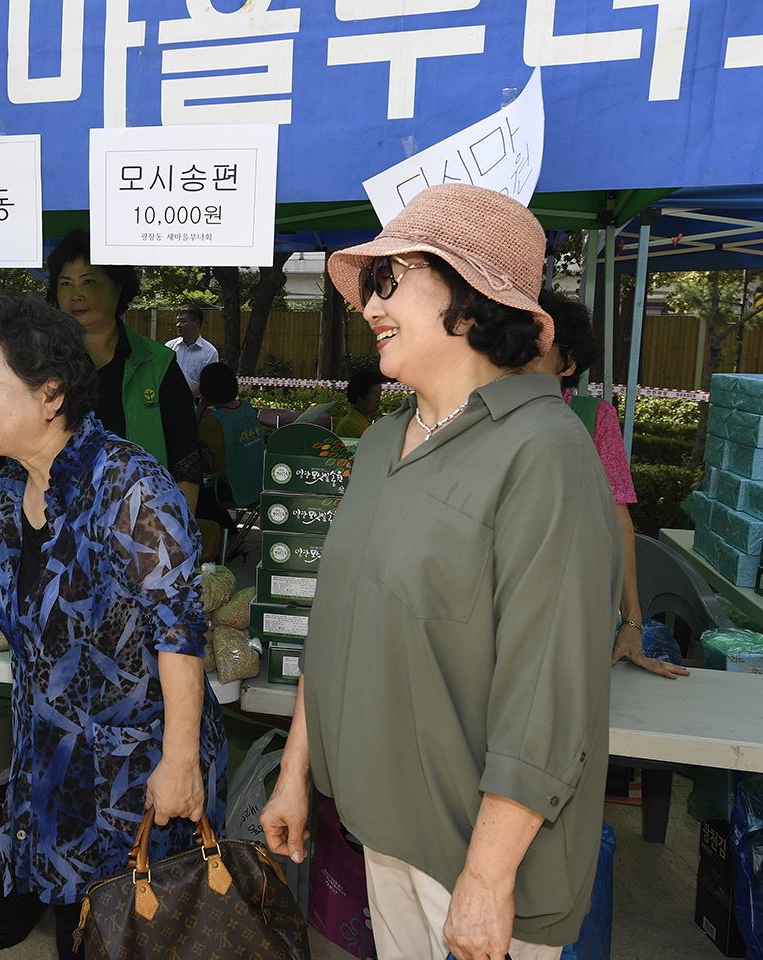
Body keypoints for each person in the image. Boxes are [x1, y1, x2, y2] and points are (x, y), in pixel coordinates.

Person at [260, 183, 622, 960]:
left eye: (391, 280)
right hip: (382, 829)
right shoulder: (380, 441)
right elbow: (335, 626)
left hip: (483, 859)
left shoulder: (545, 453)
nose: (368, 306)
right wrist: (296, 771)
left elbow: (548, 691)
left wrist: (489, 878)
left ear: (472, 298)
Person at [0, 293, 226, 960]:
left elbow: (179, 629)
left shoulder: (127, 484)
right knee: (77, 931)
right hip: (52, 767)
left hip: (138, 774)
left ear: (50, 393)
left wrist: (180, 764)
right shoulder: (9, 491)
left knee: (142, 931)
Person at [527, 289, 687, 680]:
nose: (523, 353)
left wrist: (632, 623)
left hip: (567, 612)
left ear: (569, 363)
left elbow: (618, 522)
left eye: (542, 343)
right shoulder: (477, 415)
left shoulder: (593, 419)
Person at [46, 230, 202, 507]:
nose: (76, 294)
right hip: (59, 526)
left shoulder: (159, 363)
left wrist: (178, 534)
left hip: (142, 529)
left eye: (88, 281)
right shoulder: (41, 364)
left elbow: (185, 461)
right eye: (65, 283)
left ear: (117, 287)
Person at [197, 362, 264, 508]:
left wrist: (202, 405)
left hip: (235, 488)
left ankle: (225, 531)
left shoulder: (214, 421)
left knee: (190, 496)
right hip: (259, 485)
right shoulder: (247, 407)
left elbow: (186, 434)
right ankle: (230, 530)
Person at [164, 303, 219, 397]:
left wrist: (187, 399)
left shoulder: (209, 351)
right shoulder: (170, 347)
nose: (178, 325)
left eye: (183, 321)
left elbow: (206, 381)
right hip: (171, 401)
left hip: (198, 404)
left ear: (197, 323)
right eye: (177, 321)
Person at [334, 367, 385, 439]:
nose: (378, 400)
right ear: (361, 396)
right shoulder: (351, 424)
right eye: (376, 396)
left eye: (379, 396)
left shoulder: (363, 419)